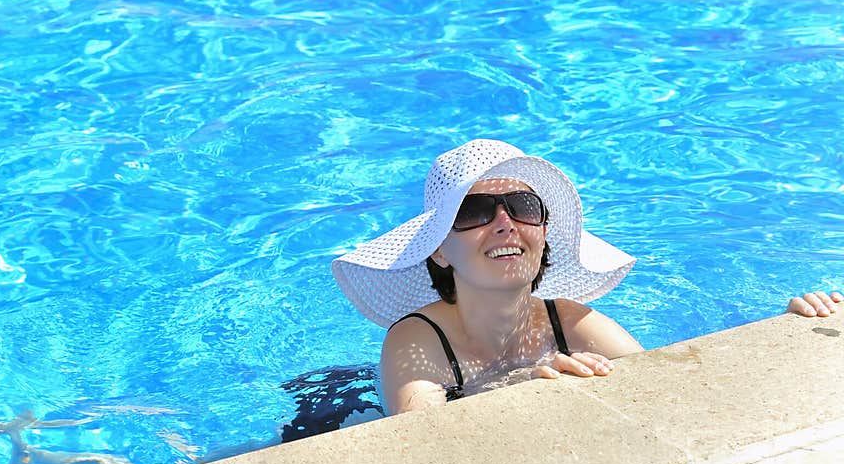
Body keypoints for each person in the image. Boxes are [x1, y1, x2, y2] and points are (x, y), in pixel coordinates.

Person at [332, 139, 842, 416]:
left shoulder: (569, 322)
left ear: (544, 232)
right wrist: (514, 387)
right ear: (439, 251)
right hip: (343, 403)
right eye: (476, 212)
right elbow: (416, 440)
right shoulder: (418, 341)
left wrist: (787, 329)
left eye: (522, 206)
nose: (505, 222)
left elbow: (678, 389)